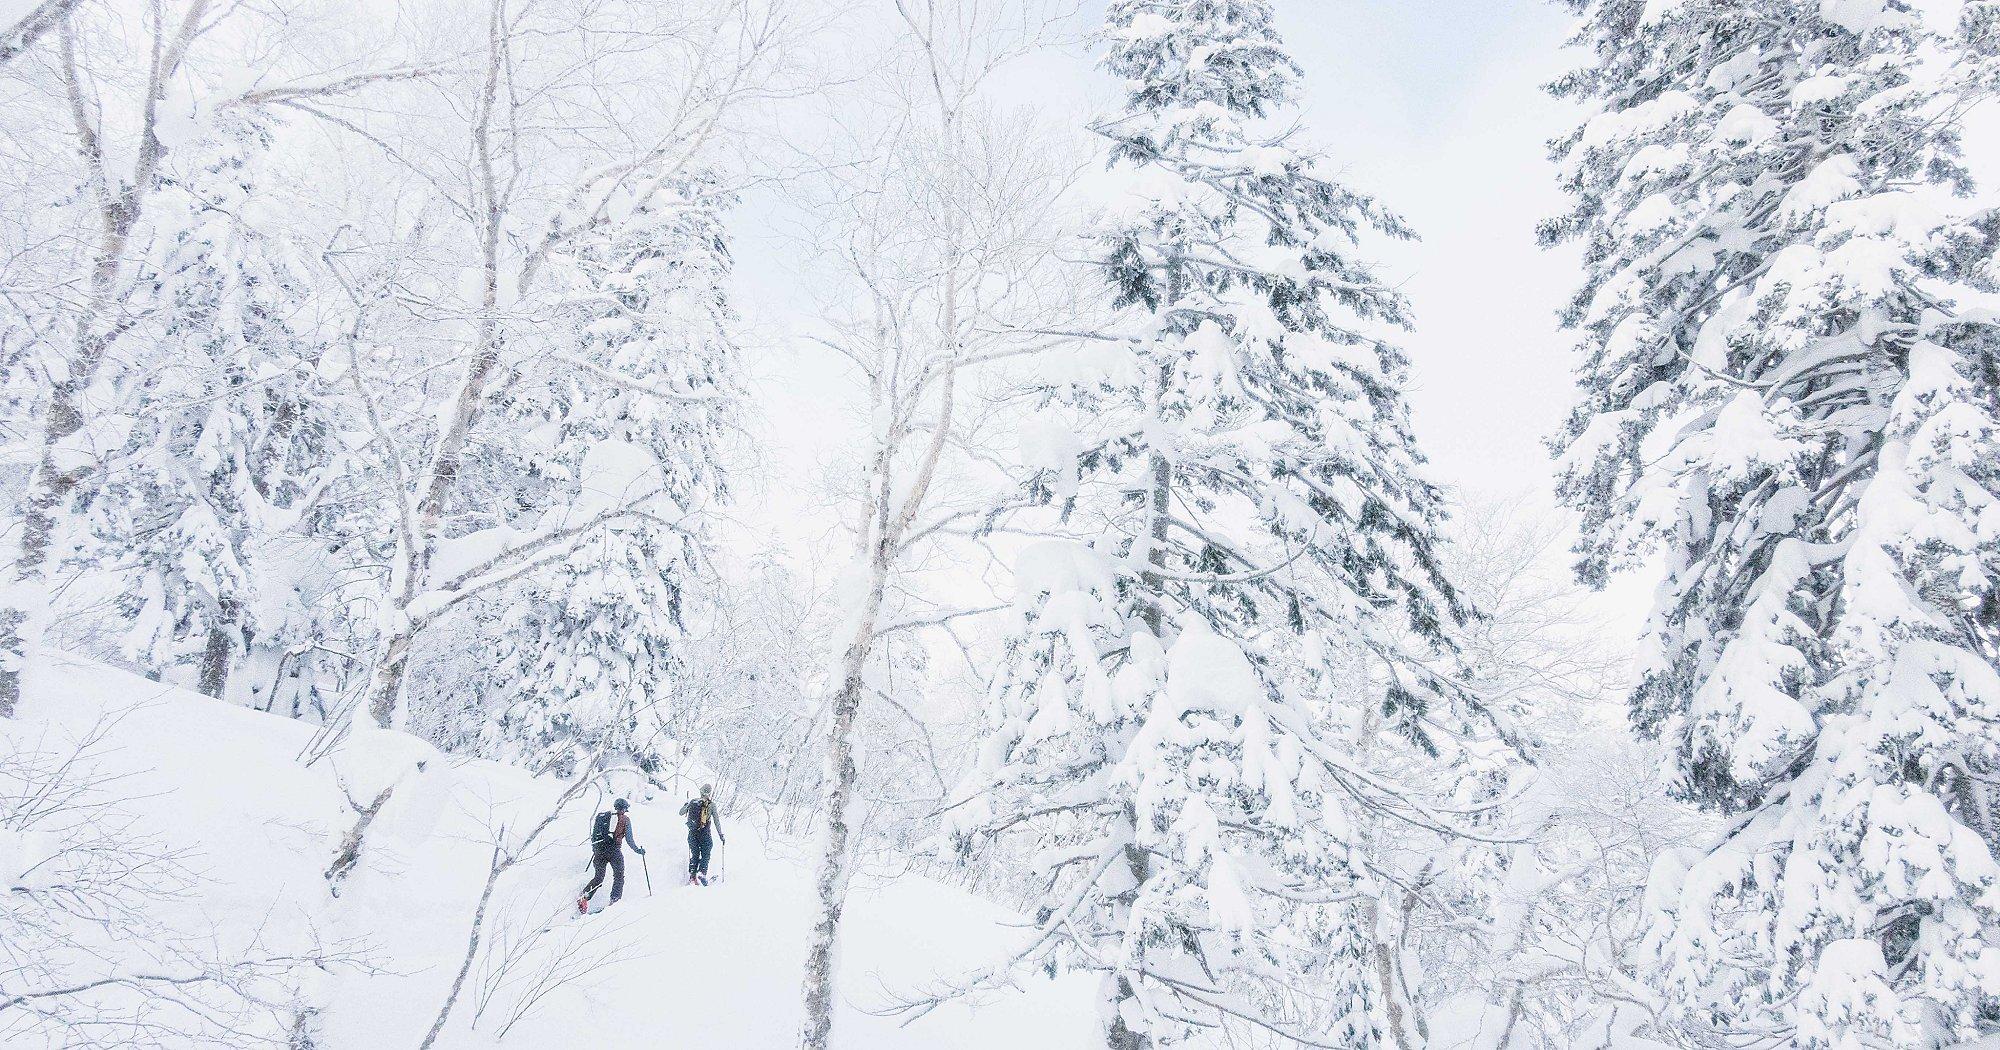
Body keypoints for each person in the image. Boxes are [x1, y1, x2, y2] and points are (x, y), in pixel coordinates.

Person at [578, 798, 645, 913]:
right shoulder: (625, 819)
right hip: (614, 852)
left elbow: (594, 835)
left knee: (598, 877)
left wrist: (595, 849)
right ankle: (614, 901)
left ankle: (584, 897)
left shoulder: (602, 816)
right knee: (619, 876)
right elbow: (629, 839)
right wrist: (637, 850)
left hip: (599, 851)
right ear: (624, 809)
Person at [679, 784, 725, 886]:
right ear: (709, 793)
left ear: (701, 791)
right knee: (706, 853)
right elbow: (716, 820)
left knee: (695, 854)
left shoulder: (693, 802)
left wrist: (686, 805)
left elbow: (680, 813)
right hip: (705, 834)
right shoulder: (711, 805)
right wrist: (720, 834)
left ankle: (692, 877)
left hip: (692, 834)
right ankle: (701, 873)